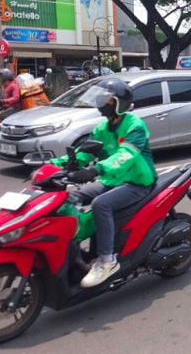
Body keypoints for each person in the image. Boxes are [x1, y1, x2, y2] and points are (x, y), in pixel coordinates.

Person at [49, 78, 157, 288]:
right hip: (112, 180)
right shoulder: (101, 129)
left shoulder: (134, 126)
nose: (99, 102)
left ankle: (107, 260)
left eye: (105, 99)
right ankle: (74, 247)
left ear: (117, 103)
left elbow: (126, 156)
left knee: (101, 204)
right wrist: (54, 165)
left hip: (138, 182)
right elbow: (83, 154)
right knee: (66, 198)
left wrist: (96, 170)